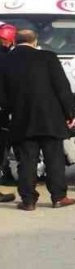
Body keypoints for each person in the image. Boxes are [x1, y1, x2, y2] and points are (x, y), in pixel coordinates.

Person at [0, 30, 75, 210]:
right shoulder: (48, 57)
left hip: (21, 119)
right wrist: (70, 114)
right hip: (50, 117)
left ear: (15, 41)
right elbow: (62, 87)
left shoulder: (4, 61)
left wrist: (12, 110)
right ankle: (58, 197)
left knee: (26, 160)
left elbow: (2, 96)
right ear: (35, 41)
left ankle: (28, 200)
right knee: (54, 159)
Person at [0, 23, 17, 193]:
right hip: (4, 107)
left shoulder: (9, 54)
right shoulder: (7, 56)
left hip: (6, 106)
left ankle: (6, 171)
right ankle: (5, 173)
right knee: (4, 142)